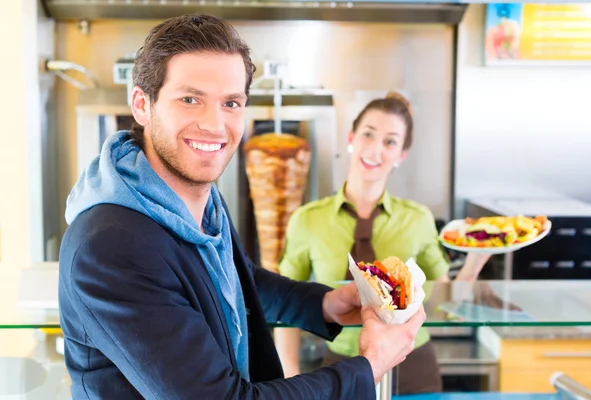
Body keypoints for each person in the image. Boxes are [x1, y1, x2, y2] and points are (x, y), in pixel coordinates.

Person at [57, 14, 427, 399]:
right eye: (190, 99)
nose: (215, 125)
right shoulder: (110, 246)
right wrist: (370, 366)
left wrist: (323, 304)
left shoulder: (195, 196)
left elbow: (235, 279)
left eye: (231, 103)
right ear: (141, 104)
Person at [274, 92, 491, 393]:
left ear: (402, 154)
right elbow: (286, 306)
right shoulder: (308, 220)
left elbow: (444, 302)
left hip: (415, 367)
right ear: (352, 137)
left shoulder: (417, 219)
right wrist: (290, 378)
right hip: (341, 365)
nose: (376, 149)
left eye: (390, 141)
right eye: (368, 134)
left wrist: (478, 257)